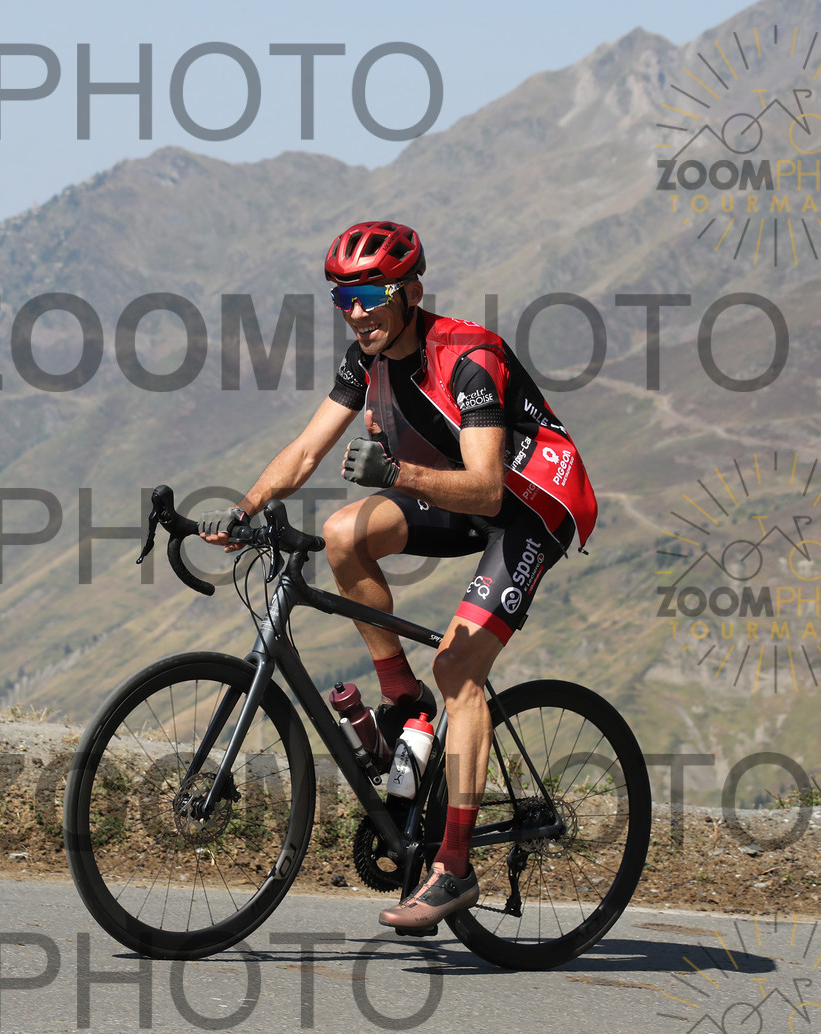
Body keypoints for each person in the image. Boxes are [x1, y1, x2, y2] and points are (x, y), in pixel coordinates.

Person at [198, 221, 597, 929]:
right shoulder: (366, 359)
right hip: (455, 493)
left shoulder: (468, 358)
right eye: (342, 297)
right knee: (342, 534)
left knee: (458, 670)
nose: (356, 312)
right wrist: (245, 506)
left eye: (371, 294)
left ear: (411, 292)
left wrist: (397, 472)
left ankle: (454, 868)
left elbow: (488, 490)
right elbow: (306, 450)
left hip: (531, 506)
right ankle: (405, 706)